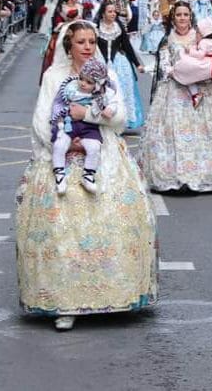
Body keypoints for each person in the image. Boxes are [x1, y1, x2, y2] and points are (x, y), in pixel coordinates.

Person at [17, 20, 157, 331]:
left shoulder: (104, 75)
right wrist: (64, 142)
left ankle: (113, 292)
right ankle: (64, 303)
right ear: (69, 46)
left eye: (92, 41)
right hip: (64, 154)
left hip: (101, 152)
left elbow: (119, 117)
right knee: (61, 229)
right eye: (81, 41)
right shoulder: (54, 76)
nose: (87, 47)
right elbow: (41, 121)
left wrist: (89, 116)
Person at [141, 2, 212, 192]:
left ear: (190, 17)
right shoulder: (167, 39)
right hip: (175, 90)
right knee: (175, 132)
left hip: (202, 89)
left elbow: (211, 55)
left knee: (207, 130)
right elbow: (163, 64)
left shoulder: (199, 36)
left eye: (186, 14)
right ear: (173, 18)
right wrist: (176, 72)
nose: (182, 18)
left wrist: (203, 72)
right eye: (178, 15)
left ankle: (208, 174)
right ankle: (177, 176)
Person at [49, 58, 116, 195]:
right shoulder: (70, 87)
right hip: (69, 123)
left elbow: (114, 103)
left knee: (94, 147)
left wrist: (110, 109)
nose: (83, 84)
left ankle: (88, 175)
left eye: (89, 82)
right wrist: (60, 119)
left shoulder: (104, 93)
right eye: (81, 79)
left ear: (97, 84)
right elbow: (58, 103)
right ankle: (59, 175)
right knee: (59, 145)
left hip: (89, 126)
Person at [96, 1, 146, 130]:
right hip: (101, 63)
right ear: (103, 13)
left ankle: (123, 121)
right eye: (110, 11)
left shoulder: (118, 27)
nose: (113, 14)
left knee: (122, 91)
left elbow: (127, 46)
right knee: (103, 92)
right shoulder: (96, 27)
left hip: (119, 63)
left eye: (114, 12)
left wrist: (137, 64)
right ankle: (103, 121)